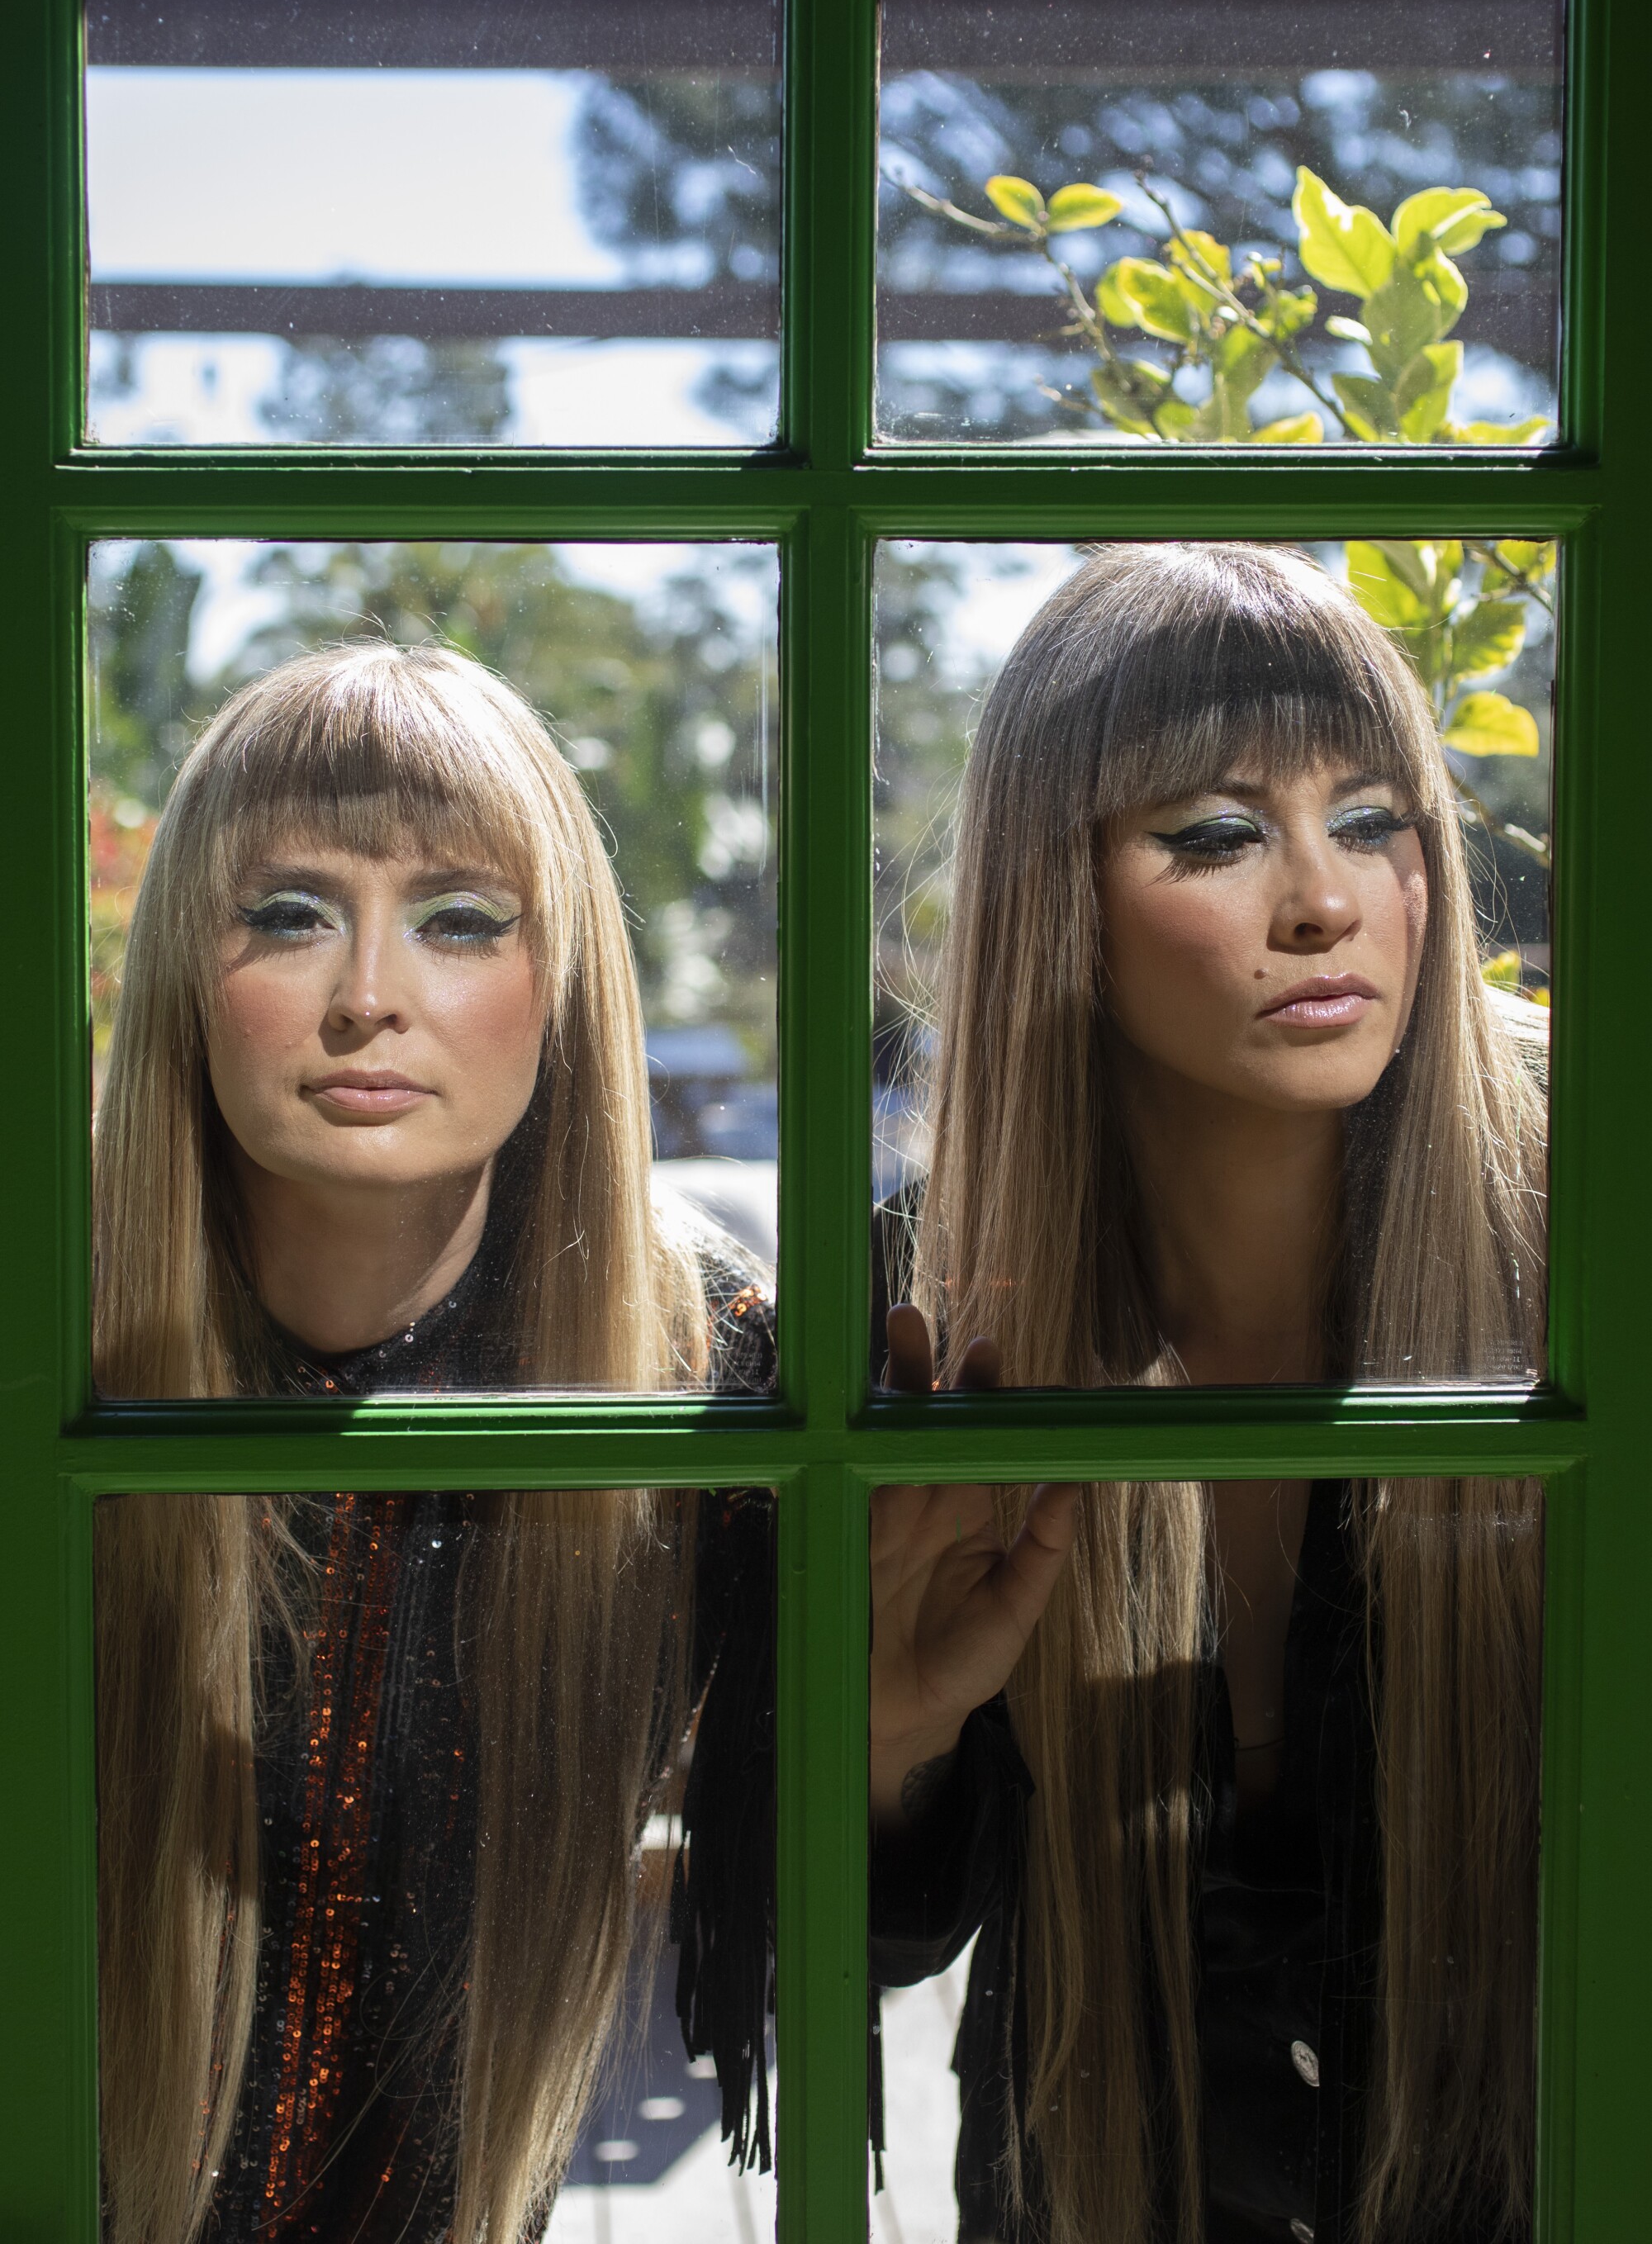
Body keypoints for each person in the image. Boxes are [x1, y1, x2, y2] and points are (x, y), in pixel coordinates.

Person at [867, 544, 1547, 2244]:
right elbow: (815, 1956)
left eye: (1376, 816)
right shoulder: (924, 1310)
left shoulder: (1586, 1241)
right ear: (1058, 892)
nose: (1321, 897)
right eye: (1217, 833)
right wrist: (891, 1733)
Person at [93, 644, 776, 2244]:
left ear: (564, 978)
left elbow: (849, 1914)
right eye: (289, 912)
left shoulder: (704, 1359)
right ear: (190, 966)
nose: (366, 997)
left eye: (461, 919)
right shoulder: (52, 1355)